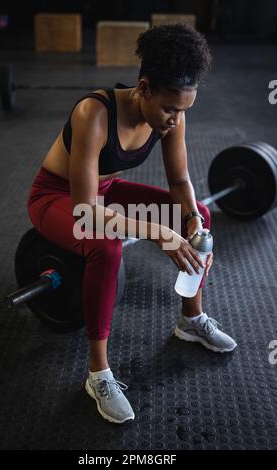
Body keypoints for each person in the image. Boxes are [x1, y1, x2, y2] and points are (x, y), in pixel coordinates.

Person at [27, 24, 236, 425]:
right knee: (105, 246)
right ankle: (98, 374)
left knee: (201, 218)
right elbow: (85, 210)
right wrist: (159, 232)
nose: (176, 120)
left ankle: (191, 320)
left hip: (106, 190)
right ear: (143, 87)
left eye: (184, 111)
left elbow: (179, 182)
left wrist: (190, 220)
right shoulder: (94, 112)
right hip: (57, 198)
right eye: (170, 109)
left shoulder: (173, 115)